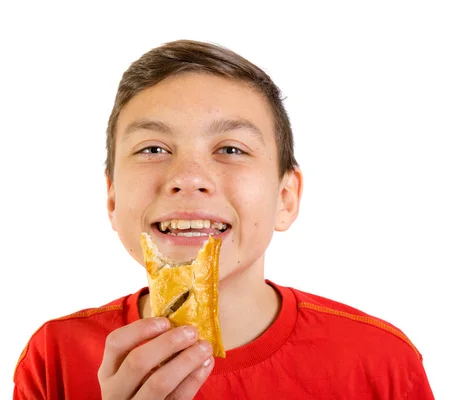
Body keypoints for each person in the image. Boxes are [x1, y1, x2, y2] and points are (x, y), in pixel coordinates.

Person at [13, 39, 435, 400]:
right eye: (153, 149)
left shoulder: (380, 361)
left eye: (231, 149)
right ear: (111, 199)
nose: (188, 178)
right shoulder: (55, 358)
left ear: (285, 199)